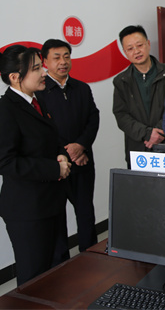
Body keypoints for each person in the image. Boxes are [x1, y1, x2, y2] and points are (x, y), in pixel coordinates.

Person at [0, 45, 71, 286]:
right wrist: (53, 169)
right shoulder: (3, 112)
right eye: (36, 69)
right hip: (27, 211)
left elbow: (51, 139)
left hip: (51, 202)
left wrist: (62, 155)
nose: (44, 72)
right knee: (35, 279)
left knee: (58, 270)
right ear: (15, 77)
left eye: (41, 66)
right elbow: (3, 162)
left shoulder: (37, 101)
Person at [37, 39, 100, 252]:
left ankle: (90, 256)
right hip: (55, 166)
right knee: (57, 218)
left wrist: (81, 145)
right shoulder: (39, 92)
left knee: (86, 213)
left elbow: (93, 119)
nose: (63, 62)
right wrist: (68, 152)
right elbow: (43, 131)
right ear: (45, 62)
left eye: (66, 56)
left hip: (83, 162)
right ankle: (61, 263)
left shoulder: (82, 88)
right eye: (56, 58)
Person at [113, 25, 165, 166]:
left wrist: (159, 132)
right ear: (125, 52)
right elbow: (121, 115)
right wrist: (147, 133)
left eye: (139, 45)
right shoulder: (121, 81)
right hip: (138, 148)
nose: (136, 51)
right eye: (130, 48)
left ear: (148, 44)